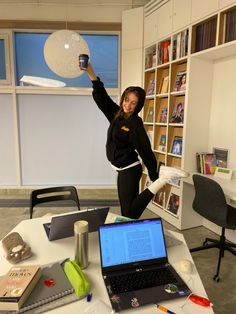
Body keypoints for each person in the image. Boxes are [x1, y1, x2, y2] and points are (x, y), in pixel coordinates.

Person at [79, 60, 189, 219]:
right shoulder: (117, 114)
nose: (128, 105)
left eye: (133, 103)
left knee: (130, 212)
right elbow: (101, 98)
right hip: (121, 169)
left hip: (130, 169)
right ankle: (128, 239)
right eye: (126, 100)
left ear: (138, 106)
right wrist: (90, 71)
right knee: (127, 213)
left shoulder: (134, 123)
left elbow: (145, 149)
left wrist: (154, 174)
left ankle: (162, 178)